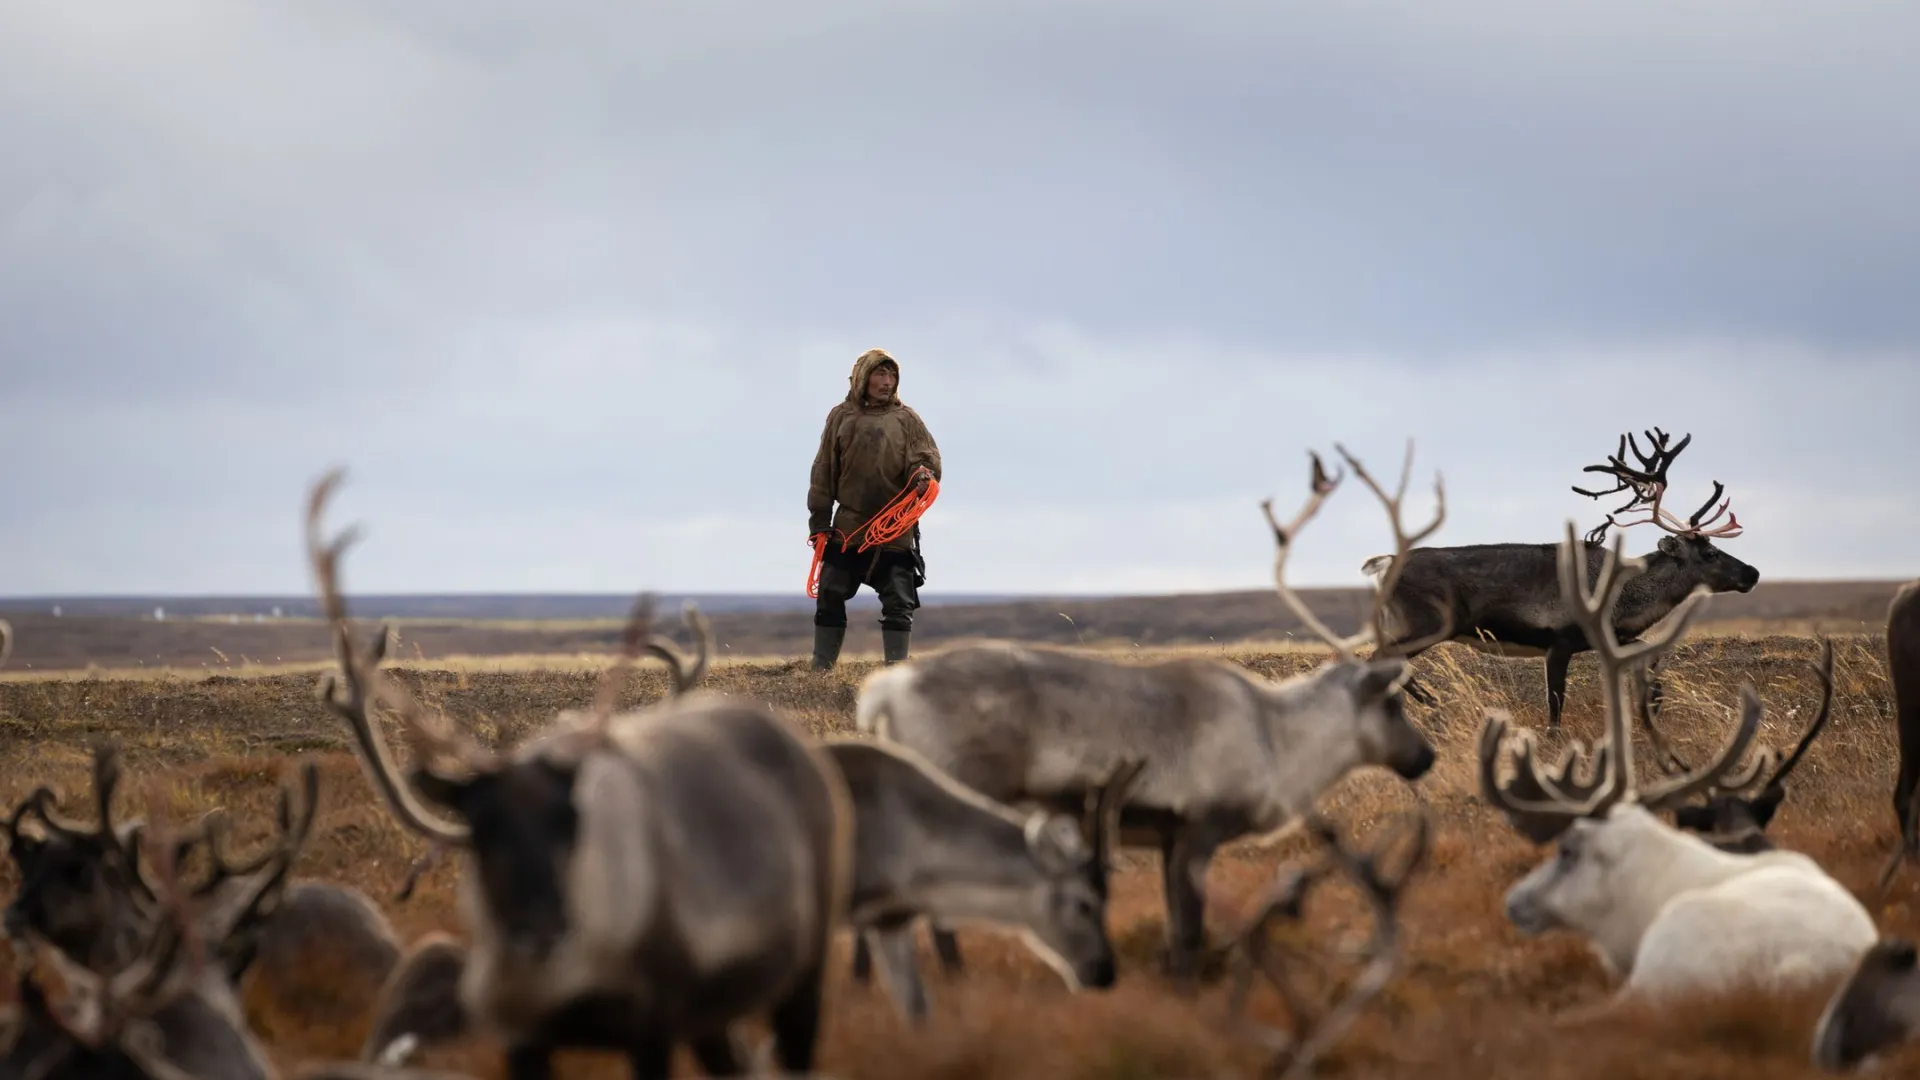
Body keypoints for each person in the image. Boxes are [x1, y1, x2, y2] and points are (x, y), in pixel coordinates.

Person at [806, 348, 942, 670]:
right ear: (863, 378)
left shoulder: (907, 420)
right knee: (830, 592)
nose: (887, 381)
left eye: (892, 375)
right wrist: (819, 523)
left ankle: (896, 672)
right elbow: (823, 471)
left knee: (899, 601)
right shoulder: (840, 416)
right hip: (849, 525)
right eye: (880, 374)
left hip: (894, 527)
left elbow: (926, 460)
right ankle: (820, 669)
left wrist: (922, 476)